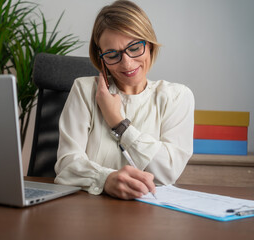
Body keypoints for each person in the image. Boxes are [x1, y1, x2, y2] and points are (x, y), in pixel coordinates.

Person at [54, 0, 195, 200]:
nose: (127, 63)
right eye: (112, 54)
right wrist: (106, 179)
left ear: (150, 44)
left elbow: (167, 172)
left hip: (151, 215)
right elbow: (66, 166)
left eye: (135, 47)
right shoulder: (84, 90)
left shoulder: (177, 97)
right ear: (101, 58)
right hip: (88, 213)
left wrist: (119, 124)